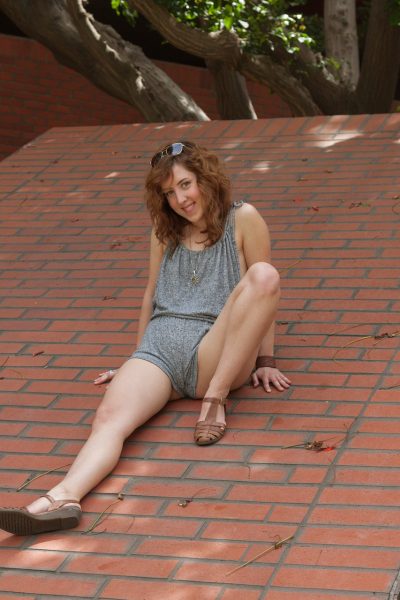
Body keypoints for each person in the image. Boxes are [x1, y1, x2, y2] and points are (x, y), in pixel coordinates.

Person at [0, 140, 291, 536]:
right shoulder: (164, 230)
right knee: (109, 419)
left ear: (206, 179)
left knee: (264, 274)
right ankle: (63, 498)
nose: (180, 199)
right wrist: (134, 360)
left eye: (185, 185)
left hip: (216, 351)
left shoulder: (244, 219)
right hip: (160, 352)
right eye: (169, 192)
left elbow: (263, 294)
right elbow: (151, 292)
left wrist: (266, 360)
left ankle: (214, 400)